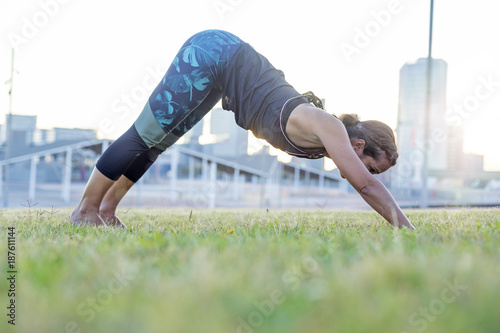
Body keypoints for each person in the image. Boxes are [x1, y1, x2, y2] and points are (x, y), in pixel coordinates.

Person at [70, 30, 415, 230]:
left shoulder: (328, 139)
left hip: (222, 78)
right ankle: (85, 210)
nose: (368, 174)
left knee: (156, 145)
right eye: (372, 166)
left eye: (374, 172)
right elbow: (367, 187)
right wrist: (406, 229)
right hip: (213, 53)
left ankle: (106, 211)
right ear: (358, 146)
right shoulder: (330, 127)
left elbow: (367, 180)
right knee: (144, 134)